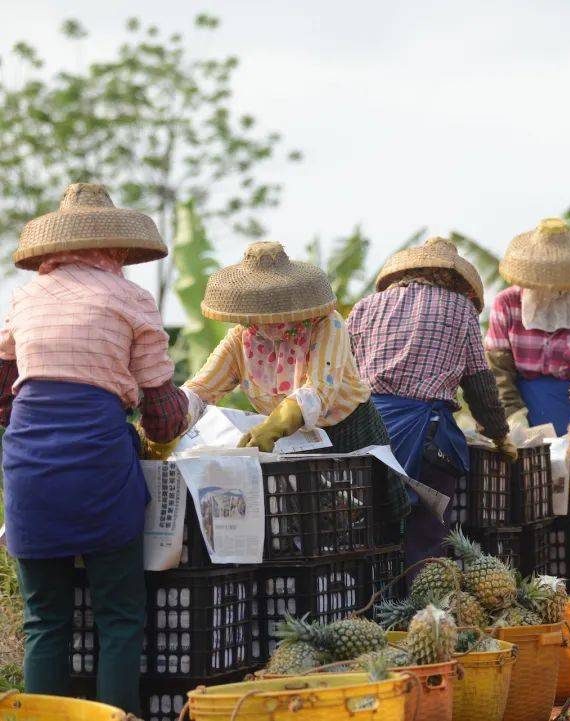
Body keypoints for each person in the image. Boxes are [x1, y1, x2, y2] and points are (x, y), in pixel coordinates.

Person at [0, 183, 189, 713]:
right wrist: (161, 430)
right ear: (117, 249)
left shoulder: (24, 299)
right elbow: (164, 413)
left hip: (29, 468)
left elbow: (3, 391)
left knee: (44, 620)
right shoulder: (130, 298)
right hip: (99, 465)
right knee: (119, 616)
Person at [347, 236, 516, 569]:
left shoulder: (365, 307)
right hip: (428, 438)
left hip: (368, 433)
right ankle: (425, 613)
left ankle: (374, 609)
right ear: (455, 280)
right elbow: (479, 386)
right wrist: (498, 435)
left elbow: (344, 375)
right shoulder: (460, 309)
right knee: (425, 535)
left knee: (371, 529)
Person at [183, 241, 393, 455]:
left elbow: (319, 390)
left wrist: (274, 426)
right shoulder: (240, 339)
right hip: (291, 440)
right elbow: (202, 388)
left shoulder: (326, 324)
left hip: (351, 431)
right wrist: (173, 414)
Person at [485, 218, 570, 435]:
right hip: (519, 395)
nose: (552, 289)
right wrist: (512, 414)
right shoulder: (506, 304)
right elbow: (499, 368)